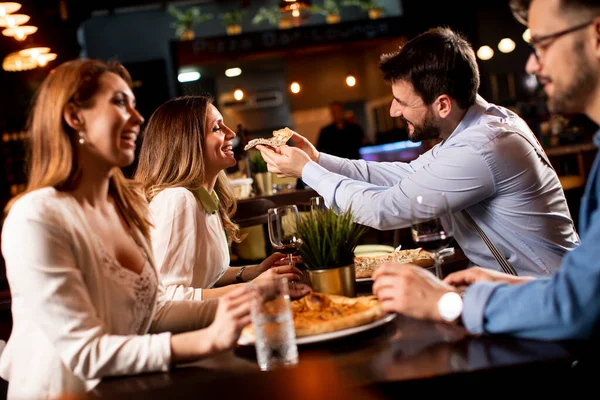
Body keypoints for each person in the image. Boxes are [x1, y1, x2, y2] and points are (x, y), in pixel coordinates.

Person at [0, 60, 252, 398]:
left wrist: (250, 301)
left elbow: (156, 312)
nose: (137, 118)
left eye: (135, 105)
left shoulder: (126, 208)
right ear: (75, 117)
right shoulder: (36, 216)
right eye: (120, 103)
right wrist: (205, 340)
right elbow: (86, 354)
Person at [258, 27, 579, 277]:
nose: (394, 111)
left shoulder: (482, 148)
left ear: (442, 104)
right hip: (520, 290)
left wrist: (307, 173)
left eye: (403, 102)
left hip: (548, 301)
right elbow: (408, 175)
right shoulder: (476, 127)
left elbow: (384, 208)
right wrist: (318, 160)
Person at [371, 0, 600, 341]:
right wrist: (507, 286)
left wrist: (447, 304)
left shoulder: (487, 140)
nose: (532, 65)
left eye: (543, 45)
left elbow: (576, 307)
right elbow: (580, 291)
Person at [134, 96, 311, 300]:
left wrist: (252, 272)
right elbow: (164, 298)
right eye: (217, 128)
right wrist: (253, 288)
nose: (232, 134)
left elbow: (205, 278)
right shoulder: (177, 199)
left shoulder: (207, 197)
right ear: (188, 141)